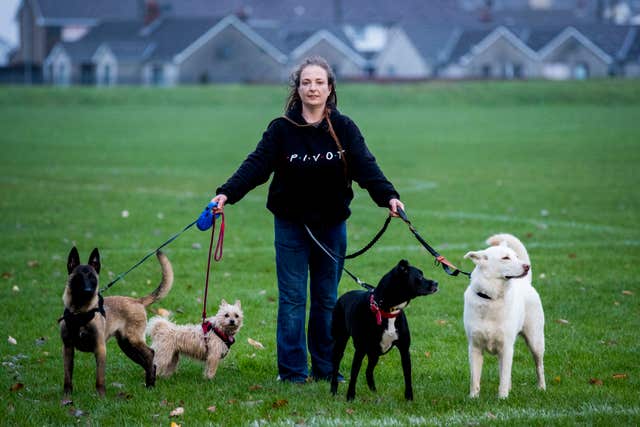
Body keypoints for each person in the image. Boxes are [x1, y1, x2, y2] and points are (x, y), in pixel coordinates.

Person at [209, 56, 404, 383]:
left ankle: (326, 368)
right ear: (297, 89)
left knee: (327, 300)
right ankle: (292, 372)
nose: (313, 88)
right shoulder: (281, 130)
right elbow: (256, 165)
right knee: (292, 300)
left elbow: (366, 166)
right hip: (291, 226)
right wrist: (226, 193)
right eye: (306, 82)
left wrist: (388, 196)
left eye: (319, 83)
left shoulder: (344, 128)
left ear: (330, 88)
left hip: (332, 226)